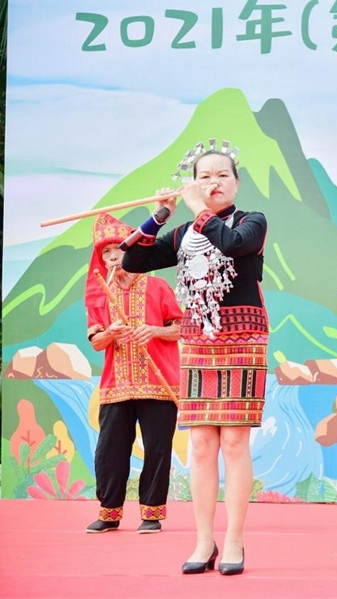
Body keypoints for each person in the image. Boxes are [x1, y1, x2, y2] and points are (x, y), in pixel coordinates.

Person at [122, 140, 268, 576]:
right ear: (193, 182)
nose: (213, 182)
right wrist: (160, 216)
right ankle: (204, 540)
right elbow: (133, 260)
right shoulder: (183, 233)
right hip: (199, 341)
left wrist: (197, 208)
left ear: (236, 183)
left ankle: (235, 539)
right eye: (204, 176)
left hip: (243, 338)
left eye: (222, 175)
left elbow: (233, 245)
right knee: (202, 444)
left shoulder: (252, 221)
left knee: (234, 442)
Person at [84, 213, 182, 535]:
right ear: (101, 259)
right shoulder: (100, 294)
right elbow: (96, 342)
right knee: (109, 451)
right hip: (116, 386)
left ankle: (151, 514)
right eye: (106, 252)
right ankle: (109, 513)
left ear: (132, 252)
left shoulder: (158, 287)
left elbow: (181, 328)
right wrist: (110, 333)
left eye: (119, 249)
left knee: (157, 449)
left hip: (158, 382)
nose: (113, 257)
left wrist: (153, 330)